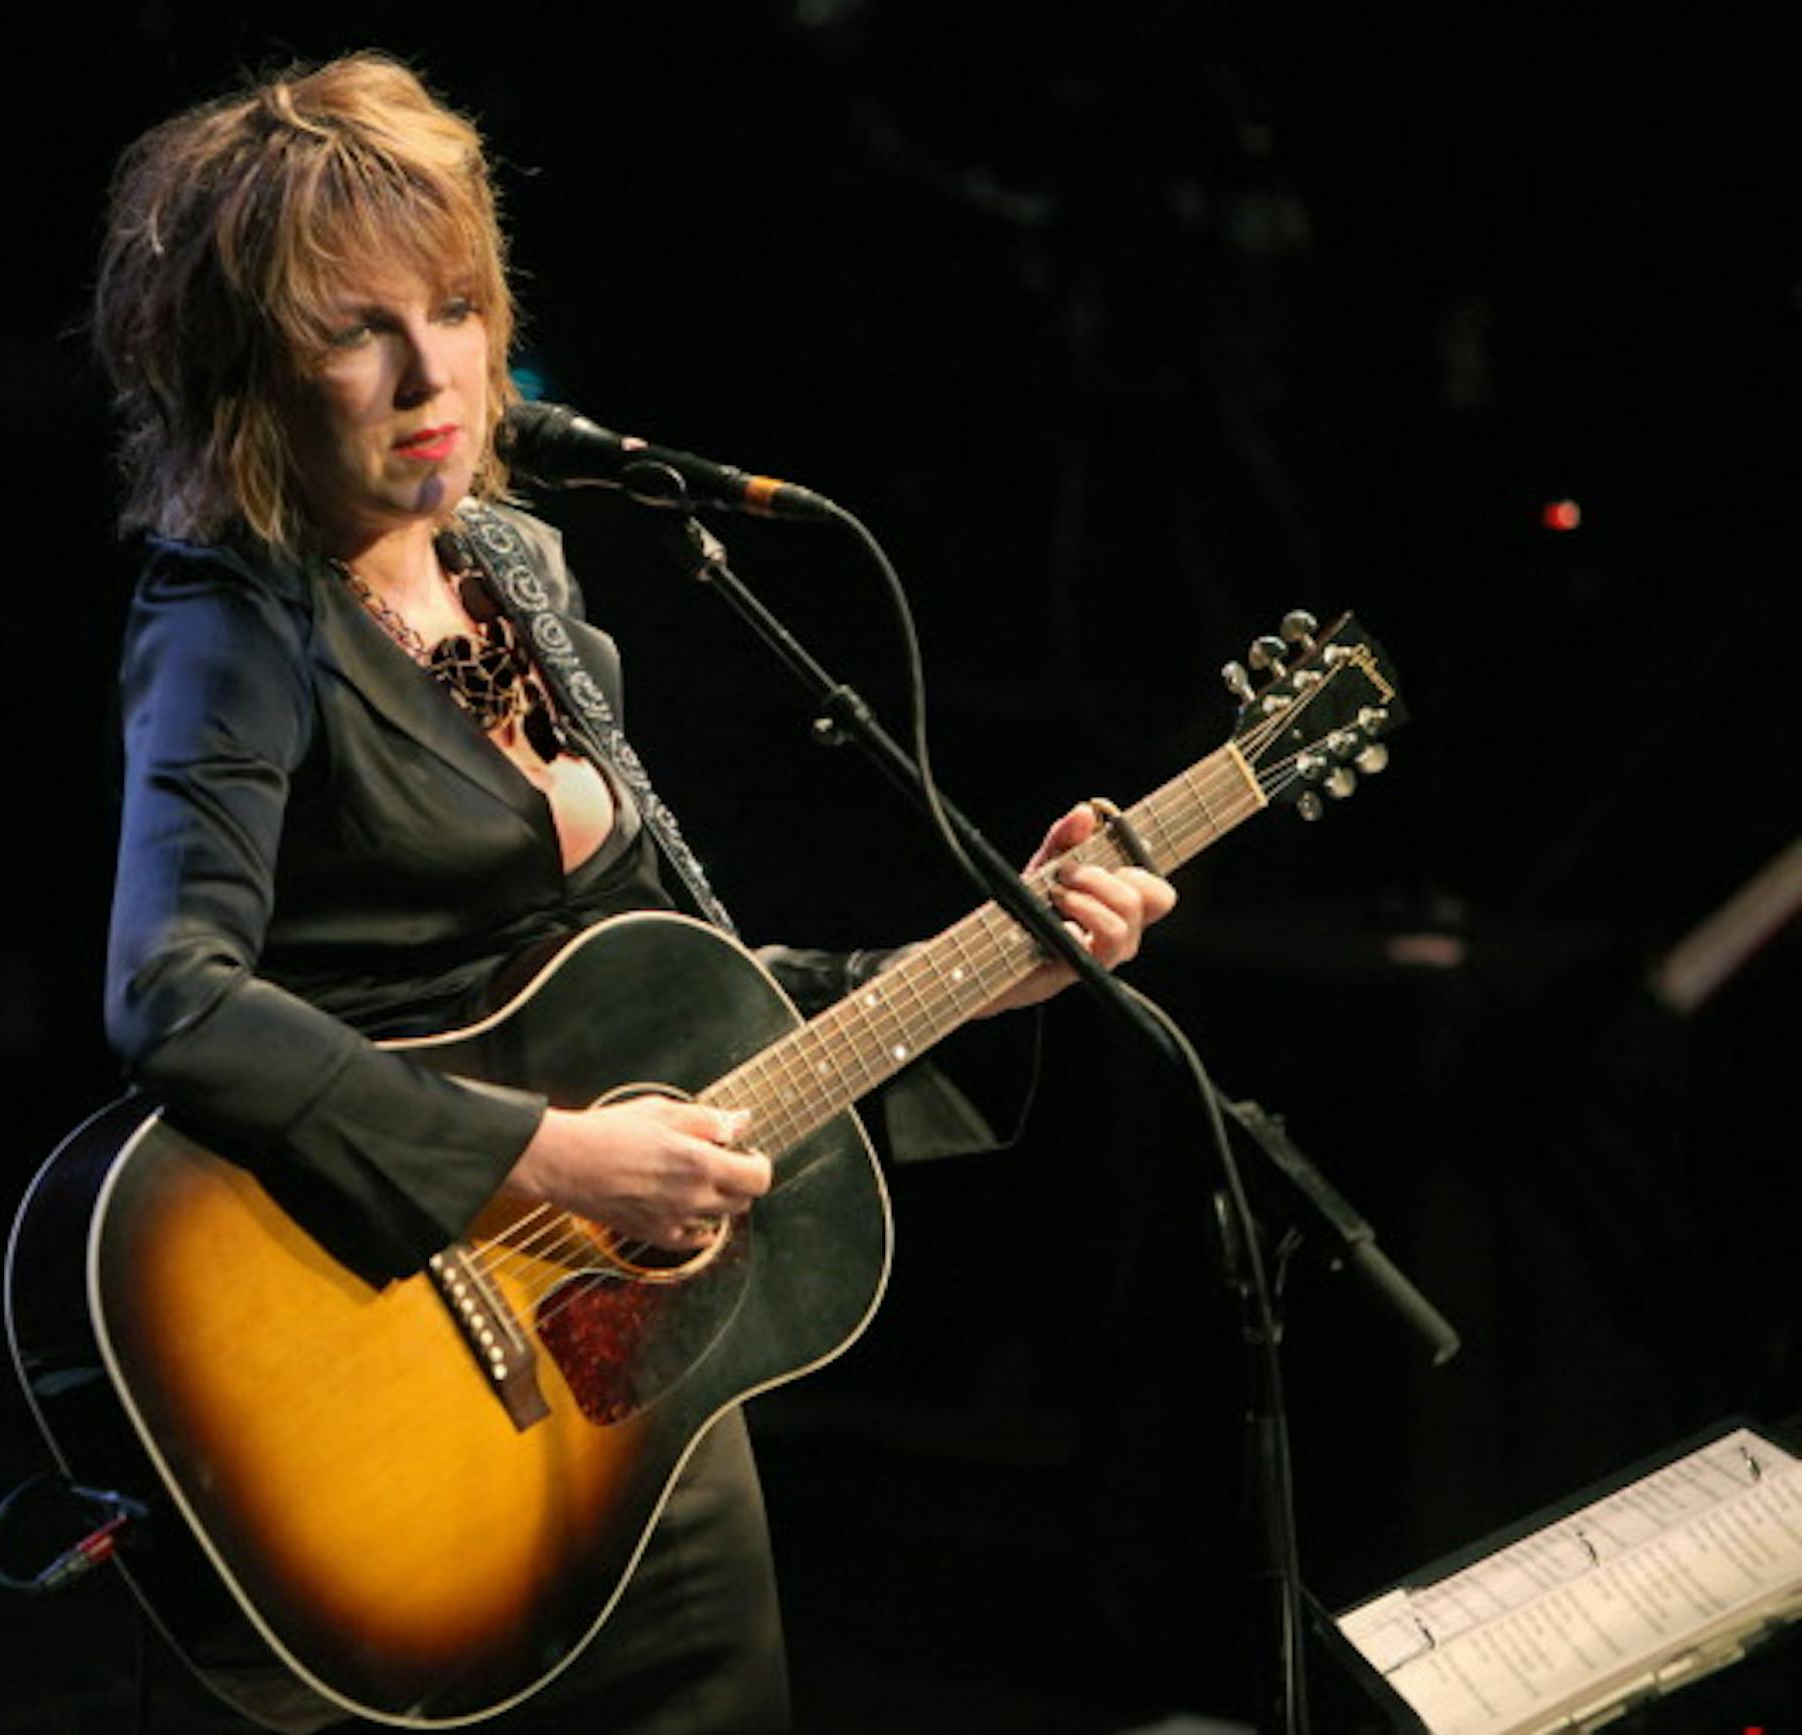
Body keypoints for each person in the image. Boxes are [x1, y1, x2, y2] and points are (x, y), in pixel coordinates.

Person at [90, 48, 1176, 1733]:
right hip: (368, 1386)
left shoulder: (522, 570)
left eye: (453, 306)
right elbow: (170, 995)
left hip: (623, 1385)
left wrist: (997, 962)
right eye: (351, 330)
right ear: (245, 372)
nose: (428, 371)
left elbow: (679, 980)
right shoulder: (233, 625)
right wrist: (541, 1153)